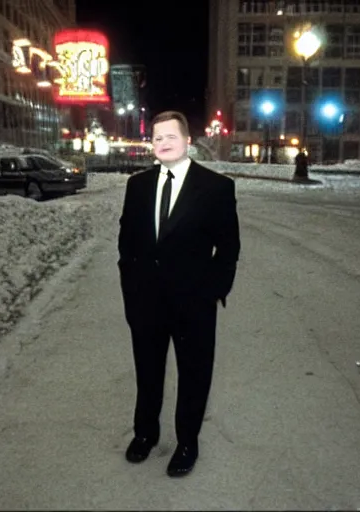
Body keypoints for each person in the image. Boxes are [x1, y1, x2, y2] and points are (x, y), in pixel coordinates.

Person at [117, 110, 241, 477]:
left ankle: (188, 442)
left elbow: (229, 247)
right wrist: (130, 286)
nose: (164, 142)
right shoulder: (137, 186)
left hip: (193, 304)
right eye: (157, 137)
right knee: (148, 372)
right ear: (151, 144)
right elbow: (127, 242)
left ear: (188, 141)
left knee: (194, 374)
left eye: (171, 135)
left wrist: (213, 291)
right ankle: (146, 433)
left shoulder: (216, 187)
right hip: (146, 303)